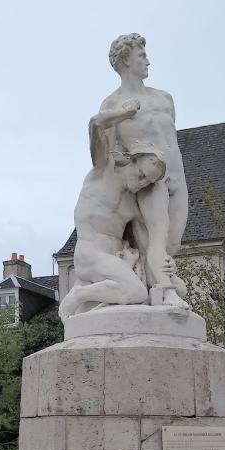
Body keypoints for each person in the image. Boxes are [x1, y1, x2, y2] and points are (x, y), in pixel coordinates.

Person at [92, 33, 189, 307]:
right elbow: (104, 157)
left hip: (177, 175)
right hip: (148, 179)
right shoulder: (112, 105)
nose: (148, 61)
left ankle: (152, 281)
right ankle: (166, 290)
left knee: (173, 244)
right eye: (141, 56)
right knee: (157, 235)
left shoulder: (165, 99)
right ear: (125, 61)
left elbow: (172, 142)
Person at [58, 105, 167, 321]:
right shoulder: (104, 168)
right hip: (90, 251)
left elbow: (148, 244)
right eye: (142, 174)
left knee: (135, 293)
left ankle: (91, 295)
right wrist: (123, 114)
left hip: (116, 260)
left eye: (148, 181)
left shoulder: (134, 205)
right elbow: (95, 124)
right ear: (134, 159)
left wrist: (166, 269)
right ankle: (79, 295)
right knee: (136, 292)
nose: (143, 182)